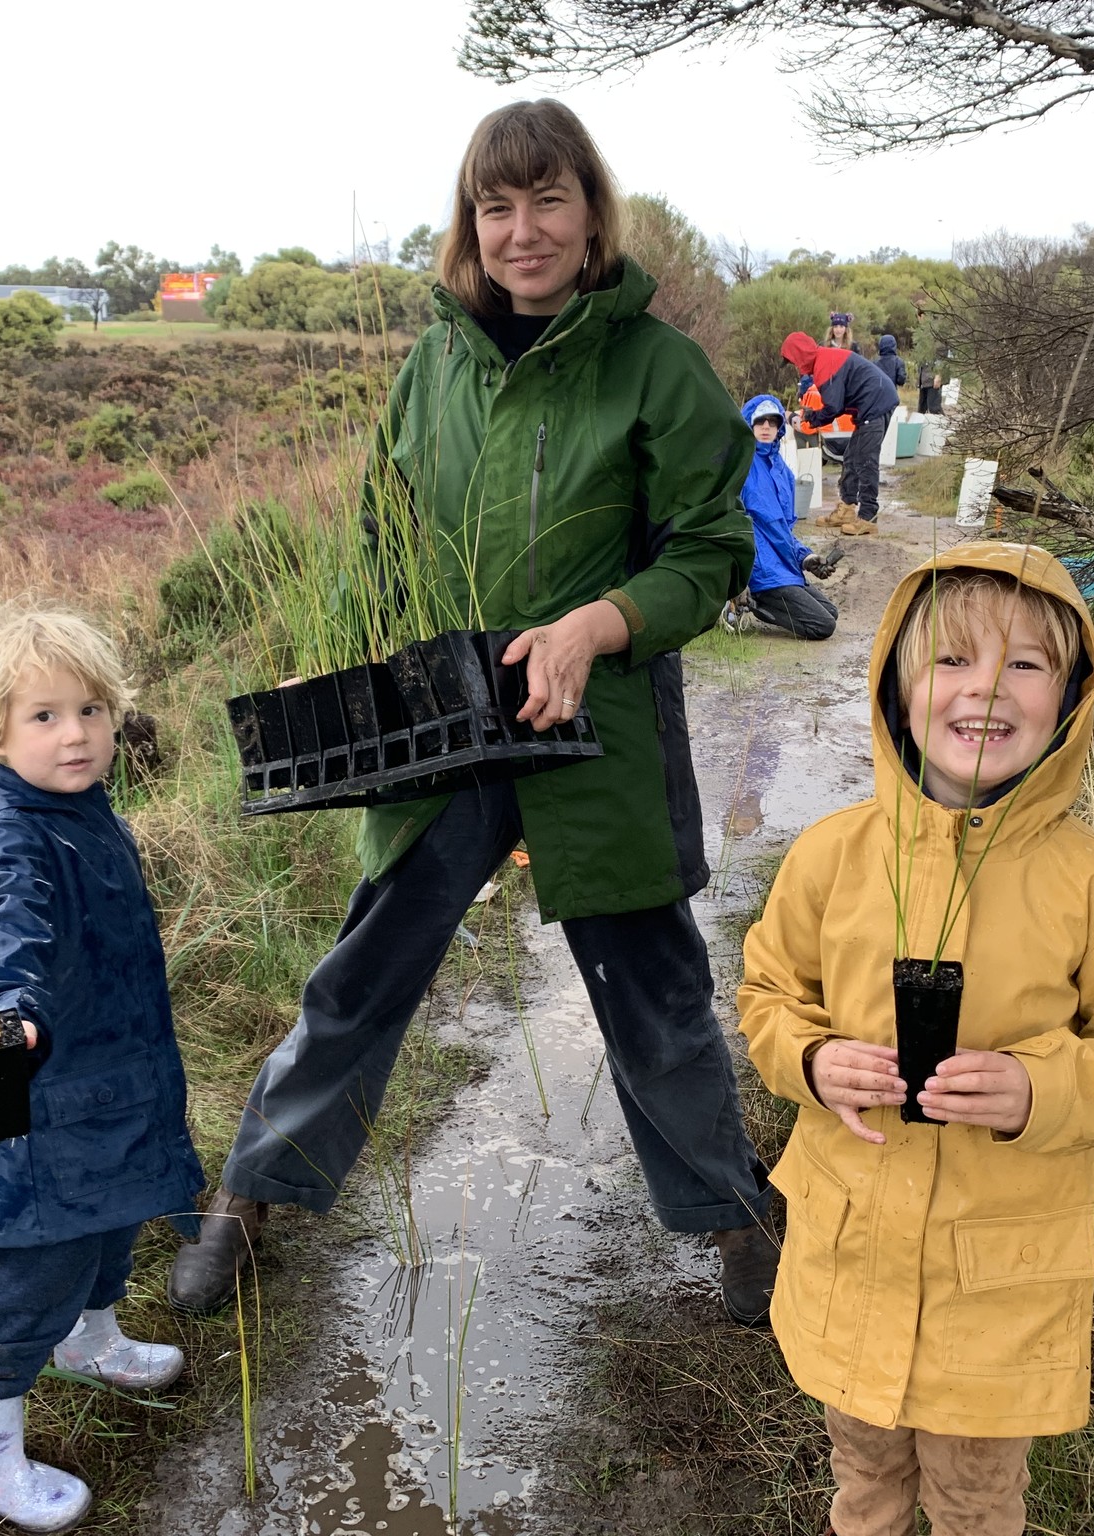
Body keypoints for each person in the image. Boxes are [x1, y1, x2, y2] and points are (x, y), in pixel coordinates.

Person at [168, 98, 780, 1327]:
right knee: (362, 973)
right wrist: (331, 665)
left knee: (650, 985)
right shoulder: (430, 367)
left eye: (546, 200)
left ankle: (738, 1218)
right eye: (494, 207)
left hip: (591, 726)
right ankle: (251, 1194)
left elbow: (714, 551)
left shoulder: (655, 367)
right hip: (436, 728)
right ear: (468, 224)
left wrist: (593, 624)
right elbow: (381, 554)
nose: (520, 230)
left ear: (590, 212)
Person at [737, 543, 1094, 1536]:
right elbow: (768, 995)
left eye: (1024, 665)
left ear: (1068, 698)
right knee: (861, 1476)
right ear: (898, 691)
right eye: (950, 660)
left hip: (993, 1290)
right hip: (849, 1258)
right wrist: (812, 1061)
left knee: (975, 1501)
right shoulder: (829, 856)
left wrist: (1042, 1090)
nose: (984, 688)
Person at [0, 607, 205, 1533]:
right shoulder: (5, 826)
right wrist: (9, 1017)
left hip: (111, 1075)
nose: (77, 734)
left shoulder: (76, 802)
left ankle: (91, 1342)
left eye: (92, 710)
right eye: (44, 716)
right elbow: (9, 926)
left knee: (111, 1220)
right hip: (39, 1090)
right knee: (36, 1256)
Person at [726, 394, 838, 640]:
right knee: (823, 625)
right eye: (760, 422)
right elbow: (729, 525)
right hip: (760, 570)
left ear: (779, 428)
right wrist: (739, 576)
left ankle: (765, 598)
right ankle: (749, 602)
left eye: (773, 422)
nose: (766, 427)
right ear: (749, 424)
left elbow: (783, 531)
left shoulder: (782, 471)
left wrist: (805, 557)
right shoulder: (739, 466)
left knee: (832, 612)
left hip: (783, 565)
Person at [783, 330, 900, 536]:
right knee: (851, 457)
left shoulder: (824, 365)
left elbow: (833, 407)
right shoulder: (824, 359)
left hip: (875, 403)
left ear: (800, 356)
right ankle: (846, 509)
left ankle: (867, 516)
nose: (794, 366)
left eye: (793, 361)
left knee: (865, 461)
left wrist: (809, 418)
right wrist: (813, 416)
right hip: (872, 402)